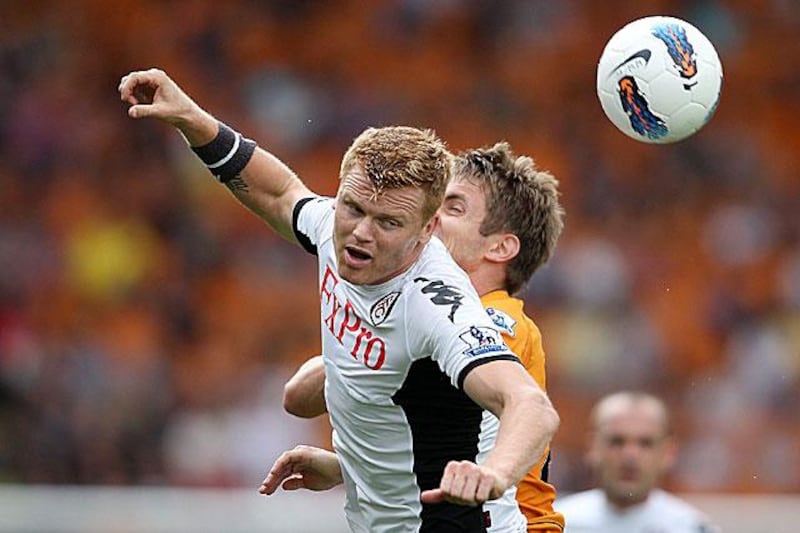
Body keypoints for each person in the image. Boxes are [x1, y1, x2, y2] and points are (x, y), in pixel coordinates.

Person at [119, 68, 560, 533]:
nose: (361, 233)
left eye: (389, 223)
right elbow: (279, 192)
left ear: (426, 231)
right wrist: (191, 119)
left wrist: (493, 474)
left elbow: (531, 406)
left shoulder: (439, 306)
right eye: (353, 208)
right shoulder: (335, 227)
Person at [277, 142, 566, 532]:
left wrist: (362, 334)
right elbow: (436, 433)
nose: (432, 216)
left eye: (453, 207)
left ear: (500, 247)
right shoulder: (422, 312)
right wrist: (352, 466)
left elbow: (303, 395)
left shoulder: (495, 322)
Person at [553, 391, 718, 532]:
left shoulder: (689, 527)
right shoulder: (559, 525)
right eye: (617, 441)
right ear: (593, 447)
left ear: (669, 452)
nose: (630, 455)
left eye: (645, 443)